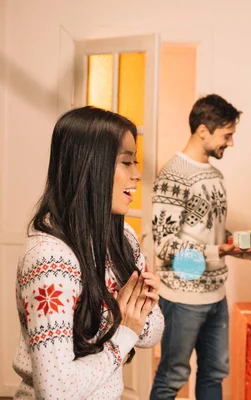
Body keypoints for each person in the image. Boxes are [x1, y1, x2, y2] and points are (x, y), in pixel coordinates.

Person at [13, 106, 164, 400]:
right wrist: (125, 330)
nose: (137, 174)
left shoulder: (123, 239)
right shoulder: (49, 259)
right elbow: (55, 391)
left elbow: (152, 333)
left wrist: (136, 314)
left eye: (136, 162)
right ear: (91, 165)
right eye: (126, 162)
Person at [151, 94, 251, 400]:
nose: (230, 143)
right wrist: (219, 252)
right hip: (182, 296)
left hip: (216, 294)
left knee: (214, 373)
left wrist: (243, 248)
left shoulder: (214, 175)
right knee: (172, 377)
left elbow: (209, 231)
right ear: (203, 130)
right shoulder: (173, 175)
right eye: (227, 135)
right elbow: (165, 244)